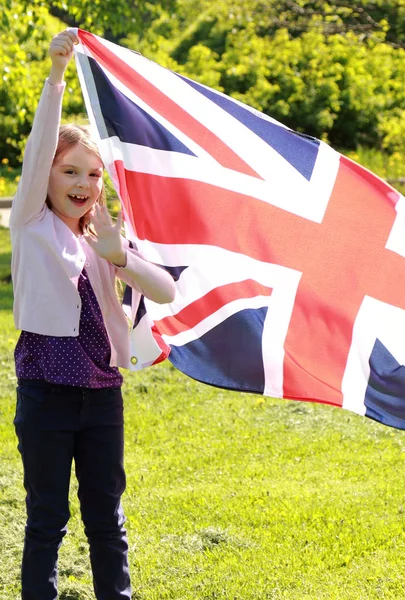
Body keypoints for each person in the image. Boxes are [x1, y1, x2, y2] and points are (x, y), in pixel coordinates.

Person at [9, 29, 176, 599]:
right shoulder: (31, 225)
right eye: (70, 171)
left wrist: (119, 257)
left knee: (107, 520)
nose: (82, 183)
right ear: (48, 178)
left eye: (92, 173)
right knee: (46, 521)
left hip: (102, 398)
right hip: (45, 396)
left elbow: (166, 291)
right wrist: (56, 78)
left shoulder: (106, 236)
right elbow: (38, 151)